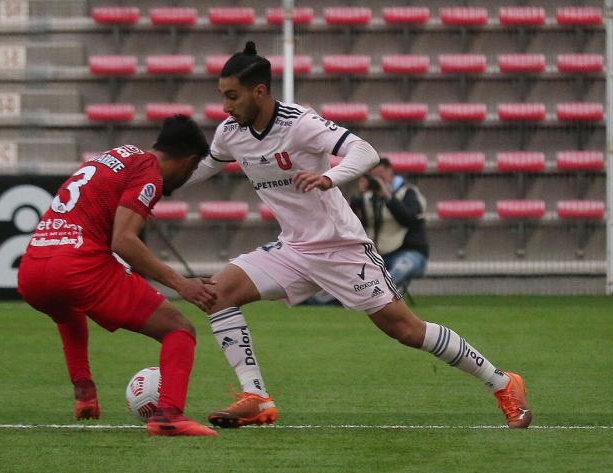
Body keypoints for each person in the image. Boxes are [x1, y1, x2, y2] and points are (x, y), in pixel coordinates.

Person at [185, 42, 532, 429]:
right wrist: (155, 180)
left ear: (259, 91)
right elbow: (205, 166)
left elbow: (364, 152)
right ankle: (257, 398)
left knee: (405, 329)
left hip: (341, 247)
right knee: (217, 294)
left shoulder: (299, 122)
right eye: (223, 97)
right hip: (293, 248)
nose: (225, 107)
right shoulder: (231, 133)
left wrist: (328, 177)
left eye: (232, 96)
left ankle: (503, 382)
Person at [18, 115, 218, 437]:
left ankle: (84, 393)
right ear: (189, 161)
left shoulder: (117, 156)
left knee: (68, 312)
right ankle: (169, 415)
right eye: (192, 171)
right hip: (77, 266)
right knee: (179, 329)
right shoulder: (149, 171)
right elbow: (123, 241)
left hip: (33, 268)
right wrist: (182, 284)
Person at [350, 158, 429, 290]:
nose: (377, 181)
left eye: (380, 177)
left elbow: (409, 220)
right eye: (373, 178)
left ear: (390, 173)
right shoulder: (366, 198)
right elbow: (355, 226)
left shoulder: (408, 192)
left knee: (403, 266)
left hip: (408, 252)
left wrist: (387, 196)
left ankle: (377, 293)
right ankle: (320, 300)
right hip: (379, 254)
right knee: (350, 274)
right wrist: (358, 197)